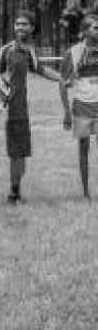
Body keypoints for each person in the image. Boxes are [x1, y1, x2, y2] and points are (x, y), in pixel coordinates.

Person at [0, 10, 60, 204]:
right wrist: (0, 101)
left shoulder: (29, 50)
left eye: (24, 24)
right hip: (12, 109)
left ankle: (16, 191)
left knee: (21, 153)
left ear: (32, 28)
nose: (20, 27)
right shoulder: (6, 50)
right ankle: (13, 194)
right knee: (16, 153)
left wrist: (61, 79)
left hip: (22, 109)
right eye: (17, 24)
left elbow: (39, 69)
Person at [60, 13, 98, 199]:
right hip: (82, 106)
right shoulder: (73, 52)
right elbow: (62, 82)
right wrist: (67, 111)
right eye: (95, 27)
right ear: (84, 31)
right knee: (84, 149)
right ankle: (85, 193)